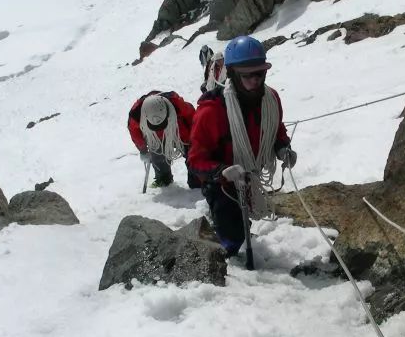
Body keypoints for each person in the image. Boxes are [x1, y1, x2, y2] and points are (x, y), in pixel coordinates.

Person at [188, 35, 298, 257]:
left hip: (249, 176)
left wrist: (282, 147)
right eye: (246, 76)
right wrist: (221, 172)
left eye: (259, 73)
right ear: (232, 74)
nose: (254, 80)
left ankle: (236, 225)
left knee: (241, 220)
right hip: (221, 183)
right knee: (233, 239)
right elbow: (195, 160)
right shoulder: (211, 112)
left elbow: (275, 129)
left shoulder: (271, 99)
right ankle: (223, 241)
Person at [127, 91, 200, 188]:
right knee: (157, 155)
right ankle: (163, 178)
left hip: (180, 131)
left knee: (193, 154)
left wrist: (195, 138)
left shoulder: (176, 103)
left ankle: (197, 178)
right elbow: (135, 132)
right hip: (155, 137)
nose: (161, 128)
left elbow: (192, 117)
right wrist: (143, 150)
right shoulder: (136, 113)